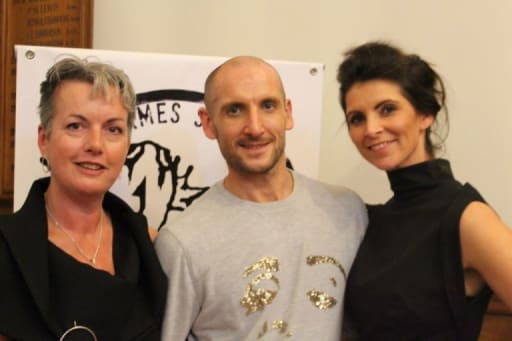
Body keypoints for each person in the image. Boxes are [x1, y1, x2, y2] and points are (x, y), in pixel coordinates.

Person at [155, 56, 368, 340]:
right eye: (234, 110)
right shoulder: (182, 242)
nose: (254, 127)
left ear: (287, 113)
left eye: (267, 106)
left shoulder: (347, 211)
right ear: (208, 123)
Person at [337, 41, 512, 340]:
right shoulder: (373, 220)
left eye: (387, 109)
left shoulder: (467, 217)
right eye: (357, 118)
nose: (371, 128)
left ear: (425, 114)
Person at [0, 57, 167, 340]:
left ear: (127, 145)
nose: (95, 145)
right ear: (44, 138)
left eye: (113, 129)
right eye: (76, 126)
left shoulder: (150, 247)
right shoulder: (6, 249)